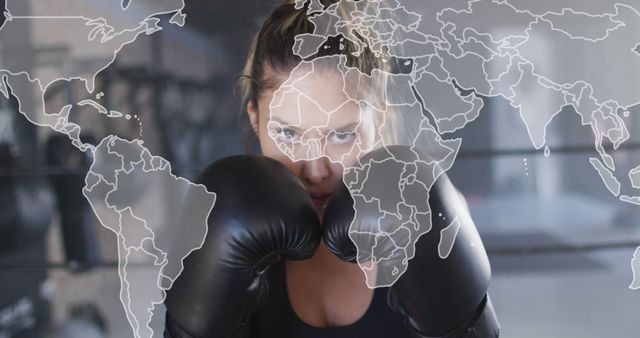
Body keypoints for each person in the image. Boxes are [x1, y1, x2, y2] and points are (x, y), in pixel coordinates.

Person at [164, 1, 499, 337]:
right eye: (288, 133)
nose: (315, 170)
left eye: (342, 134)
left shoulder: (419, 216)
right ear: (255, 119)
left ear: (378, 120)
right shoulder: (222, 222)